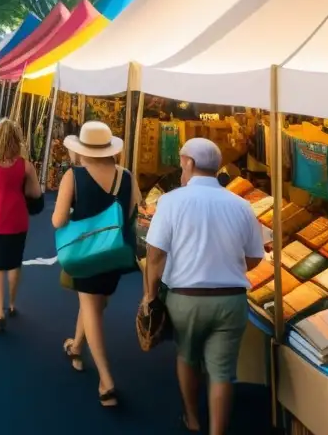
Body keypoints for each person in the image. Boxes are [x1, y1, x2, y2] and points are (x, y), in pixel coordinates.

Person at [144, 138, 263, 435]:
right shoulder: (242, 205)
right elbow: (254, 258)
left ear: (189, 163)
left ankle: (193, 418)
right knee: (223, 373)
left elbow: (155, 255)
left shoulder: (171, 201)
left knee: (187, 356)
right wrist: (229, 267)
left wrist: (150, 296)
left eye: (182, 162)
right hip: (231, 300)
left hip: (186, 298)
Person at [52, 121, 140, 408]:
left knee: (92, 309)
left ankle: (106, 380)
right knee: (94, 304)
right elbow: (131, 213)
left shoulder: (74, 177)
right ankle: (76, 347)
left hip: (85, 253)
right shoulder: (126, 176)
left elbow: (58, 220)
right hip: (115, 254)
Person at [0, 118, 41, 332]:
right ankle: (12, 303)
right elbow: (36, 193)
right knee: (14, 262)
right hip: (17, 218)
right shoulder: (25, 165)